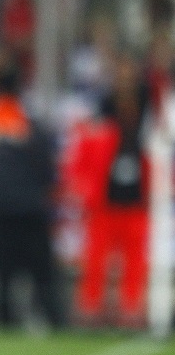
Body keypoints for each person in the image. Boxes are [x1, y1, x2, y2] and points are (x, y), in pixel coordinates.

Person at [0, 63, 65, 330]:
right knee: (42, 272)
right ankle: (48, 319)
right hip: (29, 207)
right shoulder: (27, 120)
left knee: (3, 274)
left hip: (0, 208)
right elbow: (45, 164)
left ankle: (4, 321)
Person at [68, 51, 152, 329]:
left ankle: (131, 309)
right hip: (106, 201)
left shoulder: (147, 112)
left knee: (135, 261)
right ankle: (90, 309)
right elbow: (86, 154)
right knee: (95, 259)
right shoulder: (104, 113)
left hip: (137, 200)